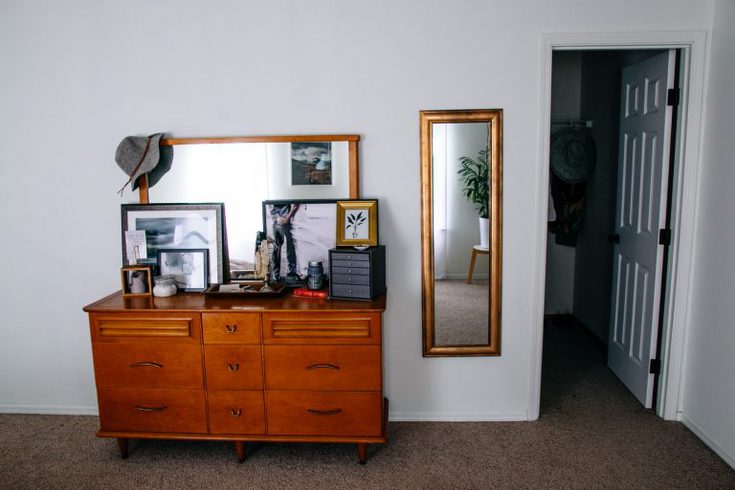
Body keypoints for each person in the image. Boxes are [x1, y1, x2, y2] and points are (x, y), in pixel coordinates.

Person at [270, 203, 300, 282]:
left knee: (277, 247)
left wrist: (278, 218)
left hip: (278, 221)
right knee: (290, 246)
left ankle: (275, 274)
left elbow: (270, 207)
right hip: (284, 221)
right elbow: (295, 206)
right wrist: (286, 218)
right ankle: (291, 273)